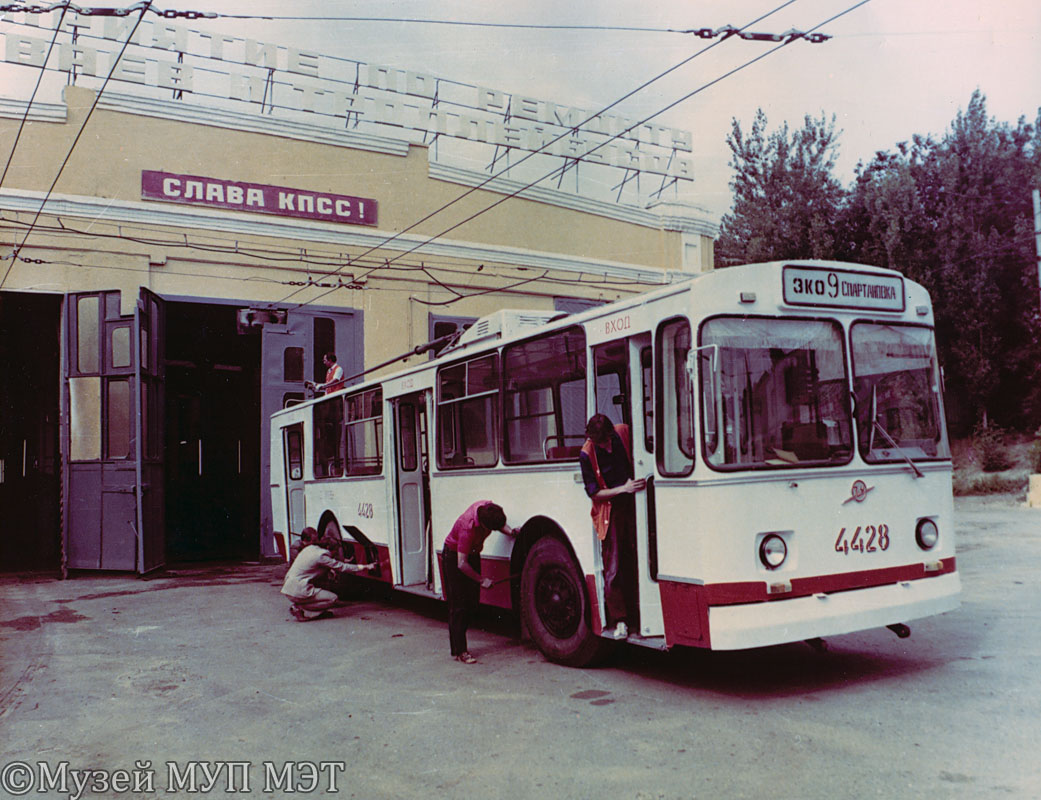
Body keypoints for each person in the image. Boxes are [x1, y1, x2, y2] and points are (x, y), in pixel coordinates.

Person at [579, 413, 645, 640]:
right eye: (601, 444)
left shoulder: (623, 432)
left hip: (636, 502)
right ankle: (620, 620)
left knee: (640, 557)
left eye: (608, 440)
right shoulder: (587, 453)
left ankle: (640, 613)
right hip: (612, 509)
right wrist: (623, 489)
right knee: (614, 564)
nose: (606, 447)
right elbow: (594, 493)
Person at [441, 501, 515, 663]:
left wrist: (510, 532)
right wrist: (482, 580)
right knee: (459, 606)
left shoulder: (489, 509)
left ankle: (460, 643)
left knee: (472, 602)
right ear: (483, 525)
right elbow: (461, 564)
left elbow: (499, 525)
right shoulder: (467, 529)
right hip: (454, 557)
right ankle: (460, 651)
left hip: (473, 554)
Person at [281, 526, 374, 621]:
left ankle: (300, 606)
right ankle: (300, 608)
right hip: (298, 589)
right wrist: (365, 566)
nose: (336, 554)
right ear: (329, 548)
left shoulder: (310, 549)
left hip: (289, 587)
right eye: (335, 551)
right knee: (333, 598)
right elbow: (342, 567)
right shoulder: (321, 555)